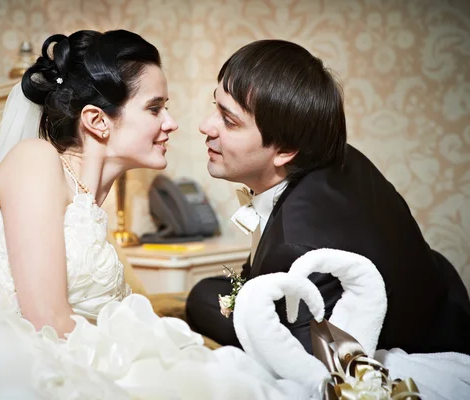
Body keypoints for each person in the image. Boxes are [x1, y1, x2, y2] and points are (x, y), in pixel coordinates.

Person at [0, 30, 287, 399]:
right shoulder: (35, 160)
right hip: (10, 357)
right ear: (97, 121)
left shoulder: (88, 204)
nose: (173, 123)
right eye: (155, 108)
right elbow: (45, 319)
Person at [186, 39, 470, 356]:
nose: (205, 126)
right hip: (451, 304)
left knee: (201, 299)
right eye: (216, 106)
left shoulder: (300, 247)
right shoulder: (342, 158)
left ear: (284, 150)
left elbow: (300, 354)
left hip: (433, 347)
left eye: (229, 120)